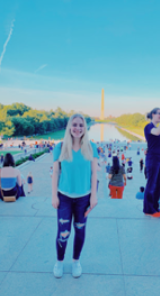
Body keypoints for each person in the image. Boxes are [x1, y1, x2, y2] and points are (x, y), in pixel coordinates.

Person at [52, 113, 98, 279]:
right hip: (64, 197)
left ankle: (76, 261)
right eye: (75, 124)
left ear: (85, 128)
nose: (78, 128)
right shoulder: (60, 146)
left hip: (84, 198)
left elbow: (94, 173)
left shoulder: (92, 147)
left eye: (81, 125)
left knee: (80, 230)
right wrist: (53, 195)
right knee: (63, 232)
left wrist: (94, 196)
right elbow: (56, 172)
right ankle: (59, 261)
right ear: (69, 127)